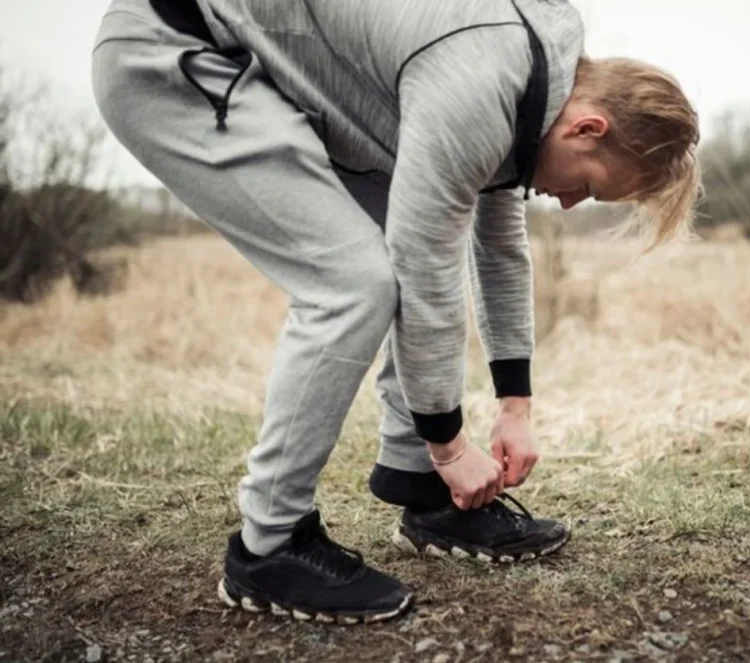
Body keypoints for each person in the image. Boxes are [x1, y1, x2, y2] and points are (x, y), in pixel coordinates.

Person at [91, 0, 701, 625]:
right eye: (590, 187)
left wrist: (515, 406)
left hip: (271, 79)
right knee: (352, 284)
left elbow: (498, 246)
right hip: (174, 51)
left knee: (394, 259)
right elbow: (425, 264)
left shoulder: (531, 82)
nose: (570, 203)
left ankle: (420, 487)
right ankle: (268, 546)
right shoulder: (479, 80)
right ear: (588, 128)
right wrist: (449, 444)